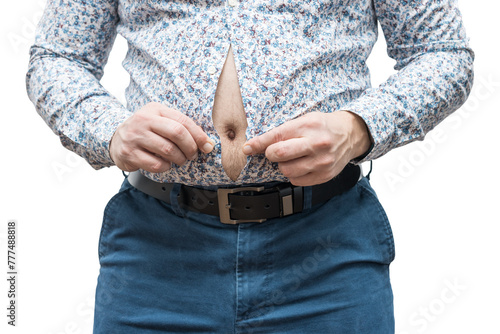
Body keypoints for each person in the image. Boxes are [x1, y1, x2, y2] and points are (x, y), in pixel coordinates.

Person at [26, 0, 474, 333]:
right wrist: (109, 129)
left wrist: (360, 128)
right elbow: (58, 57)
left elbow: (442, 52)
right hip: (157, 254)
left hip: (326, 251)